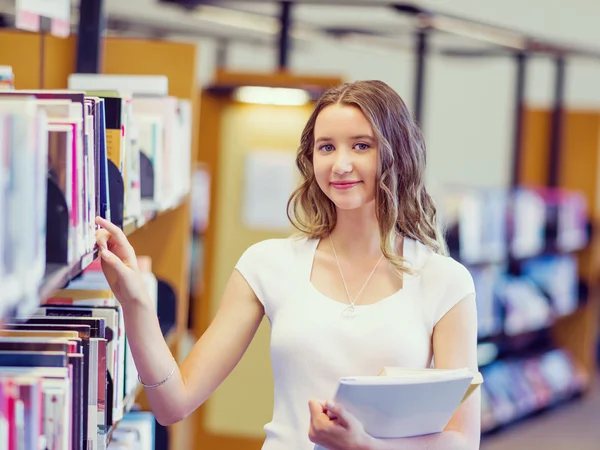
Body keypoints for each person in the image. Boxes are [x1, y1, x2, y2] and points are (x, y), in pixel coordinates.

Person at [95, 79, 480, 450]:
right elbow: (172, 404)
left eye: (361, 146)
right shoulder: (268, 264)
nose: (341, 164)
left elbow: (463, 441)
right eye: (326, 147)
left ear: (397, 155)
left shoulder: (444, 280)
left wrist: (365, 445)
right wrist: (136, 301)